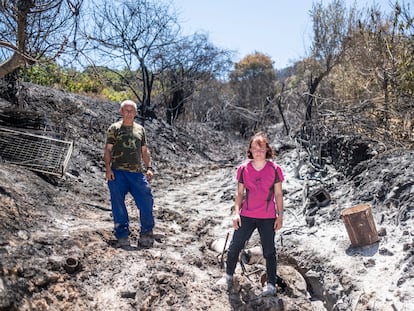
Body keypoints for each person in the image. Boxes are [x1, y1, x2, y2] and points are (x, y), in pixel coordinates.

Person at [216, 131, 285, 296]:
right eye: (255, 148)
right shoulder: (243, 168)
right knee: (234, 247)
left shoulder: (275, 169)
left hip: (268, 217)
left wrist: (280, 215)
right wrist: (236, 213)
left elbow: (278, 194)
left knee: (269, 251)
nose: (258, 152)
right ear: (251, 150)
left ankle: (270, 285)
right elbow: (239, 194)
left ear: (267, 149)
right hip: (246, 215)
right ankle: (228, 276)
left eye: (261, 148)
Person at [103, 99, 155, 248]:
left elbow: (144, 151)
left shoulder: (140, 130)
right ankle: (122, 235)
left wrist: (149, 167)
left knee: (146, 201)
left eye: (132, 110)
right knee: (118, 204)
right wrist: (108, 168)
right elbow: (108, 149)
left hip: (137, 174)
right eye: (126, 110)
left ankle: (146, 233)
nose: (129, 113)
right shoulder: (114, 128)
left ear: (136, 113)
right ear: (121, 112)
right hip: (117, 173)